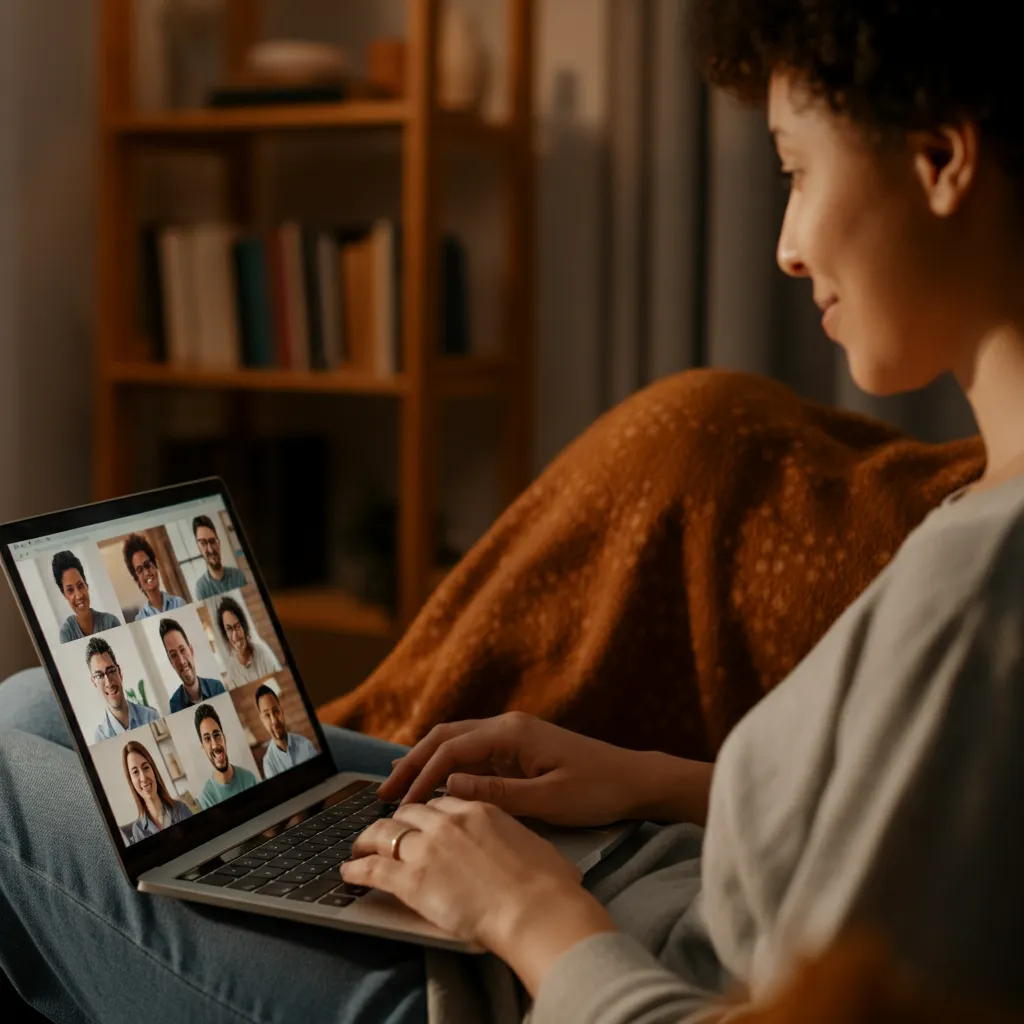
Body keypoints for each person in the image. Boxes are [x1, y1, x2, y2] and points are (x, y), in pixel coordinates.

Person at [4, 2, 1024, 1020]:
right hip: (632, 886)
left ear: (939, 158)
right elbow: (905, 840)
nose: (787, 247)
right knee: (33, 709)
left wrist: (529, 910)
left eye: (795, 171)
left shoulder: (982, 591)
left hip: (532, 984)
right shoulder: (981, 517)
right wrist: (642, 780)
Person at [86, 636, 160, 744]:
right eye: (99, 675)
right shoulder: (101, 738)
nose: (108, 682)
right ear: (94, 682)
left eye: (111, 671)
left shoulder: (150, 716)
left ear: (119, 672)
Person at [121, 739, 192, 844]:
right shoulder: (138, 830)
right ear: (131, 781)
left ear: (153, 770)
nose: (143, 778)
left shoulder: (181, 809)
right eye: (135, 772)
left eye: (146, 768)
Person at [193, 703, 258, 809]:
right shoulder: (206, 799)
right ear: (203, 747)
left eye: (217, 735)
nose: (214, 745)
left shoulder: (249, 779)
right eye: (207, 739)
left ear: (224, 738)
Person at [51, 550, 121, 644]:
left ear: (86, 585)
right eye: (70, 590)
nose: (79, 595)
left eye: (80, 586)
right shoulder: (67, 634)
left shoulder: (111, 622)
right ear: (65, 595)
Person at [160, 618, 225, 714]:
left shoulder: (217, 688)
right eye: (174, 655)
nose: (181, 661)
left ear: (191, 650)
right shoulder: (174, 705)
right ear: (171, 662)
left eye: (182, 650)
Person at [254, 684, 317, 778]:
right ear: (262, 720)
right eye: (267, 715)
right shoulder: (268, 763)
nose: (274, 720)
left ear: (282, 711)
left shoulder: (306, 745)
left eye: (276, 711)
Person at [216, 595, 281, 687]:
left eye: (237, 626)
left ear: (244, 626)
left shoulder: (262, 652)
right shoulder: (232, 671)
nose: (235, 637)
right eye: (229, 629)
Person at [123, 533, 185, 621]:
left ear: (155, 564)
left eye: (147, 565)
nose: (146, 573)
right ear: (136, 578)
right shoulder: (141, 619)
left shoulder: (178, 603)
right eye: (140, 570)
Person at [191, 515, 246, 599]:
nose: (210, 550)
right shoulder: (201, 588)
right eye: (203, 543)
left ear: (218, 543)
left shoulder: (238, 575)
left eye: (212, 541)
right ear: (199, 548)